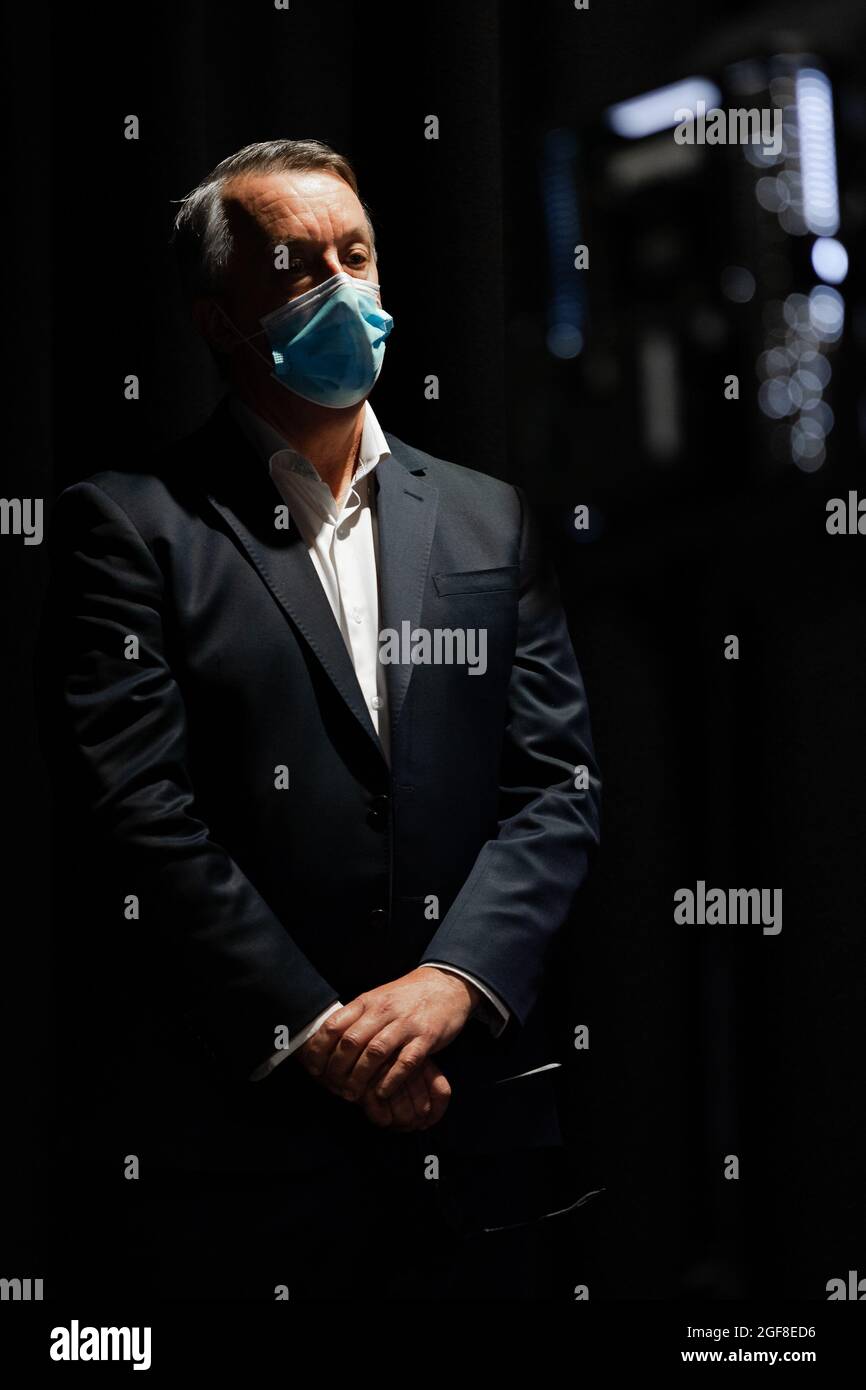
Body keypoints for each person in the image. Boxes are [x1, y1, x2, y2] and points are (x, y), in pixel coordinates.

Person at [37, 138, 601, 1301]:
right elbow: (136, 812)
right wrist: (323, 1036)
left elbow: (555, 787)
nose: (342, 287)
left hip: (477, 1129)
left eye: (358, 255)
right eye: (299, 267)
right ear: (217, 319)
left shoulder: (490, 521)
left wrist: (453, 982)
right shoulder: (129, 527)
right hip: (238, 1154)